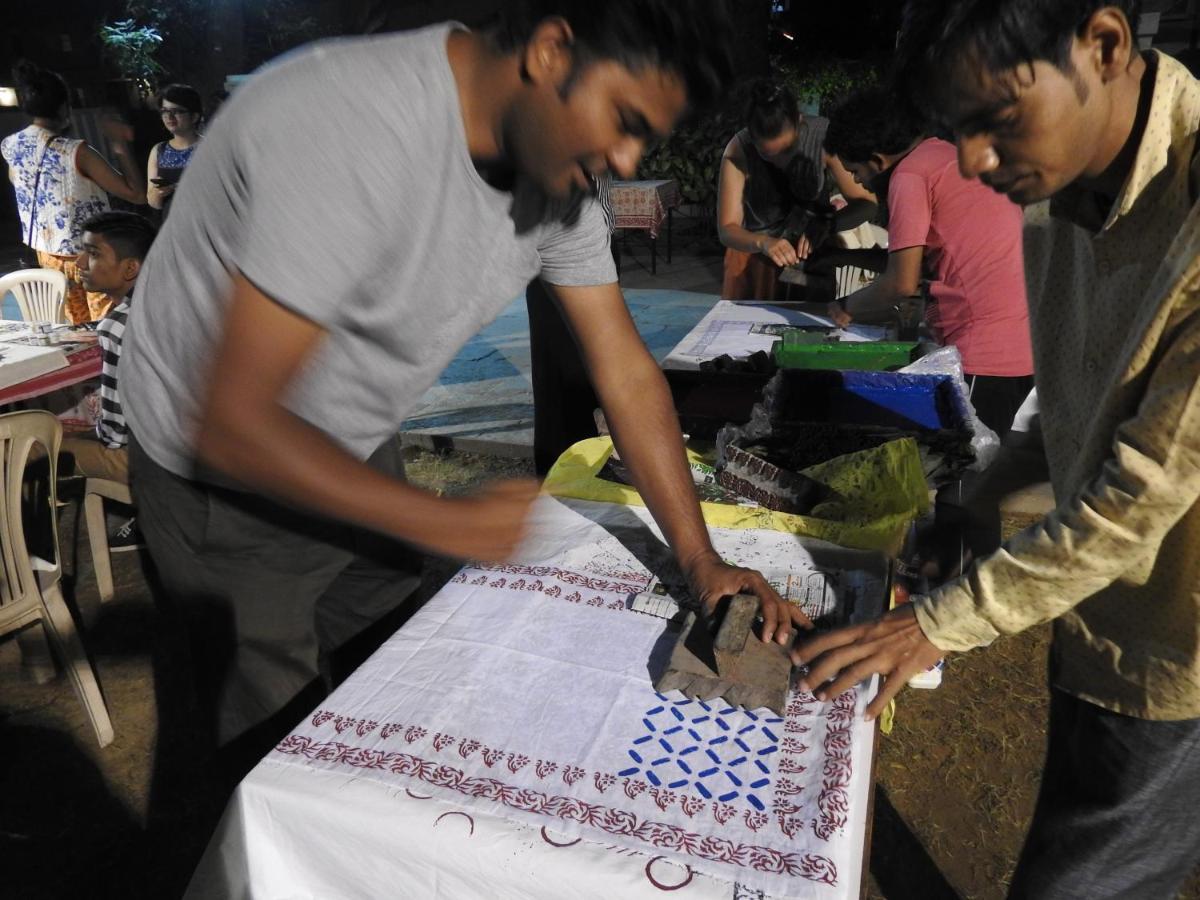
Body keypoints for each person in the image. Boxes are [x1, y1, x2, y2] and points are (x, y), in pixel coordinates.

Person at [121, 0, 808, 780]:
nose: (623, 159)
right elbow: (233, 422)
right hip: (222, 473)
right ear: (552, 48)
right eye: (623, 119)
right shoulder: (344, 123)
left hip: (348, 436)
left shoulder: (559, 181)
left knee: (387, 664)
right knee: (271, 742)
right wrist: (440, 522)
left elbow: (624, 370)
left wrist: (700, 559)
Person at [795, 1, 1200, 896]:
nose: (975, 162)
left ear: (1103, 45)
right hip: (1097, 624)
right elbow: (1074, 413)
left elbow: (1137, 497)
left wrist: (937, 624)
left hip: (1184, 654)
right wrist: (981, 500)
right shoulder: (1058, 198)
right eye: (958, 130)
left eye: (997, 121)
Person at [823, 87, 1034, 436]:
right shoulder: (942, 154)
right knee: (968, 464)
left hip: (987, 351)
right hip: (1019, 341)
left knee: (961, 475)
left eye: (856, 171)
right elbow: (915, 261)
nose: (858, 182)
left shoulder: (908, 176)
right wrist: (842, 256)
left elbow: (900, 282)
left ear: (877, 161)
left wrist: (847, 306)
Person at [1, 61, 146, 323]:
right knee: (107, 324)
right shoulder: (74, 151)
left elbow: (17, 183)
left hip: (46, 253)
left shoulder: (11, 145)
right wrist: (119, 143)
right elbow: (135, 194)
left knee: (77, 326)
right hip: (88, 255)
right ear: (64, 107)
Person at [716, 79, 877, 301]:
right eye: (768, 155)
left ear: (799, 121)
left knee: (809, 329)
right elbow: (727, 229)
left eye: (789, 149)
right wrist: (762, 243)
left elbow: (867, 204)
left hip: (812, 257)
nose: (782, 162)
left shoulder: (823, 138)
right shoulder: (738, 149)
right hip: (754, 260)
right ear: (752, 140)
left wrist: (827, 224)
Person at [146, 84, 202, 219]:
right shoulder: (158, 150)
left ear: (194, 116)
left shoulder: (209, 147)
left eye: (177, 111)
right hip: (173, 224)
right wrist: (157, 194)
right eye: (165, 111)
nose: (169, 117)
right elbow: (153, 202)